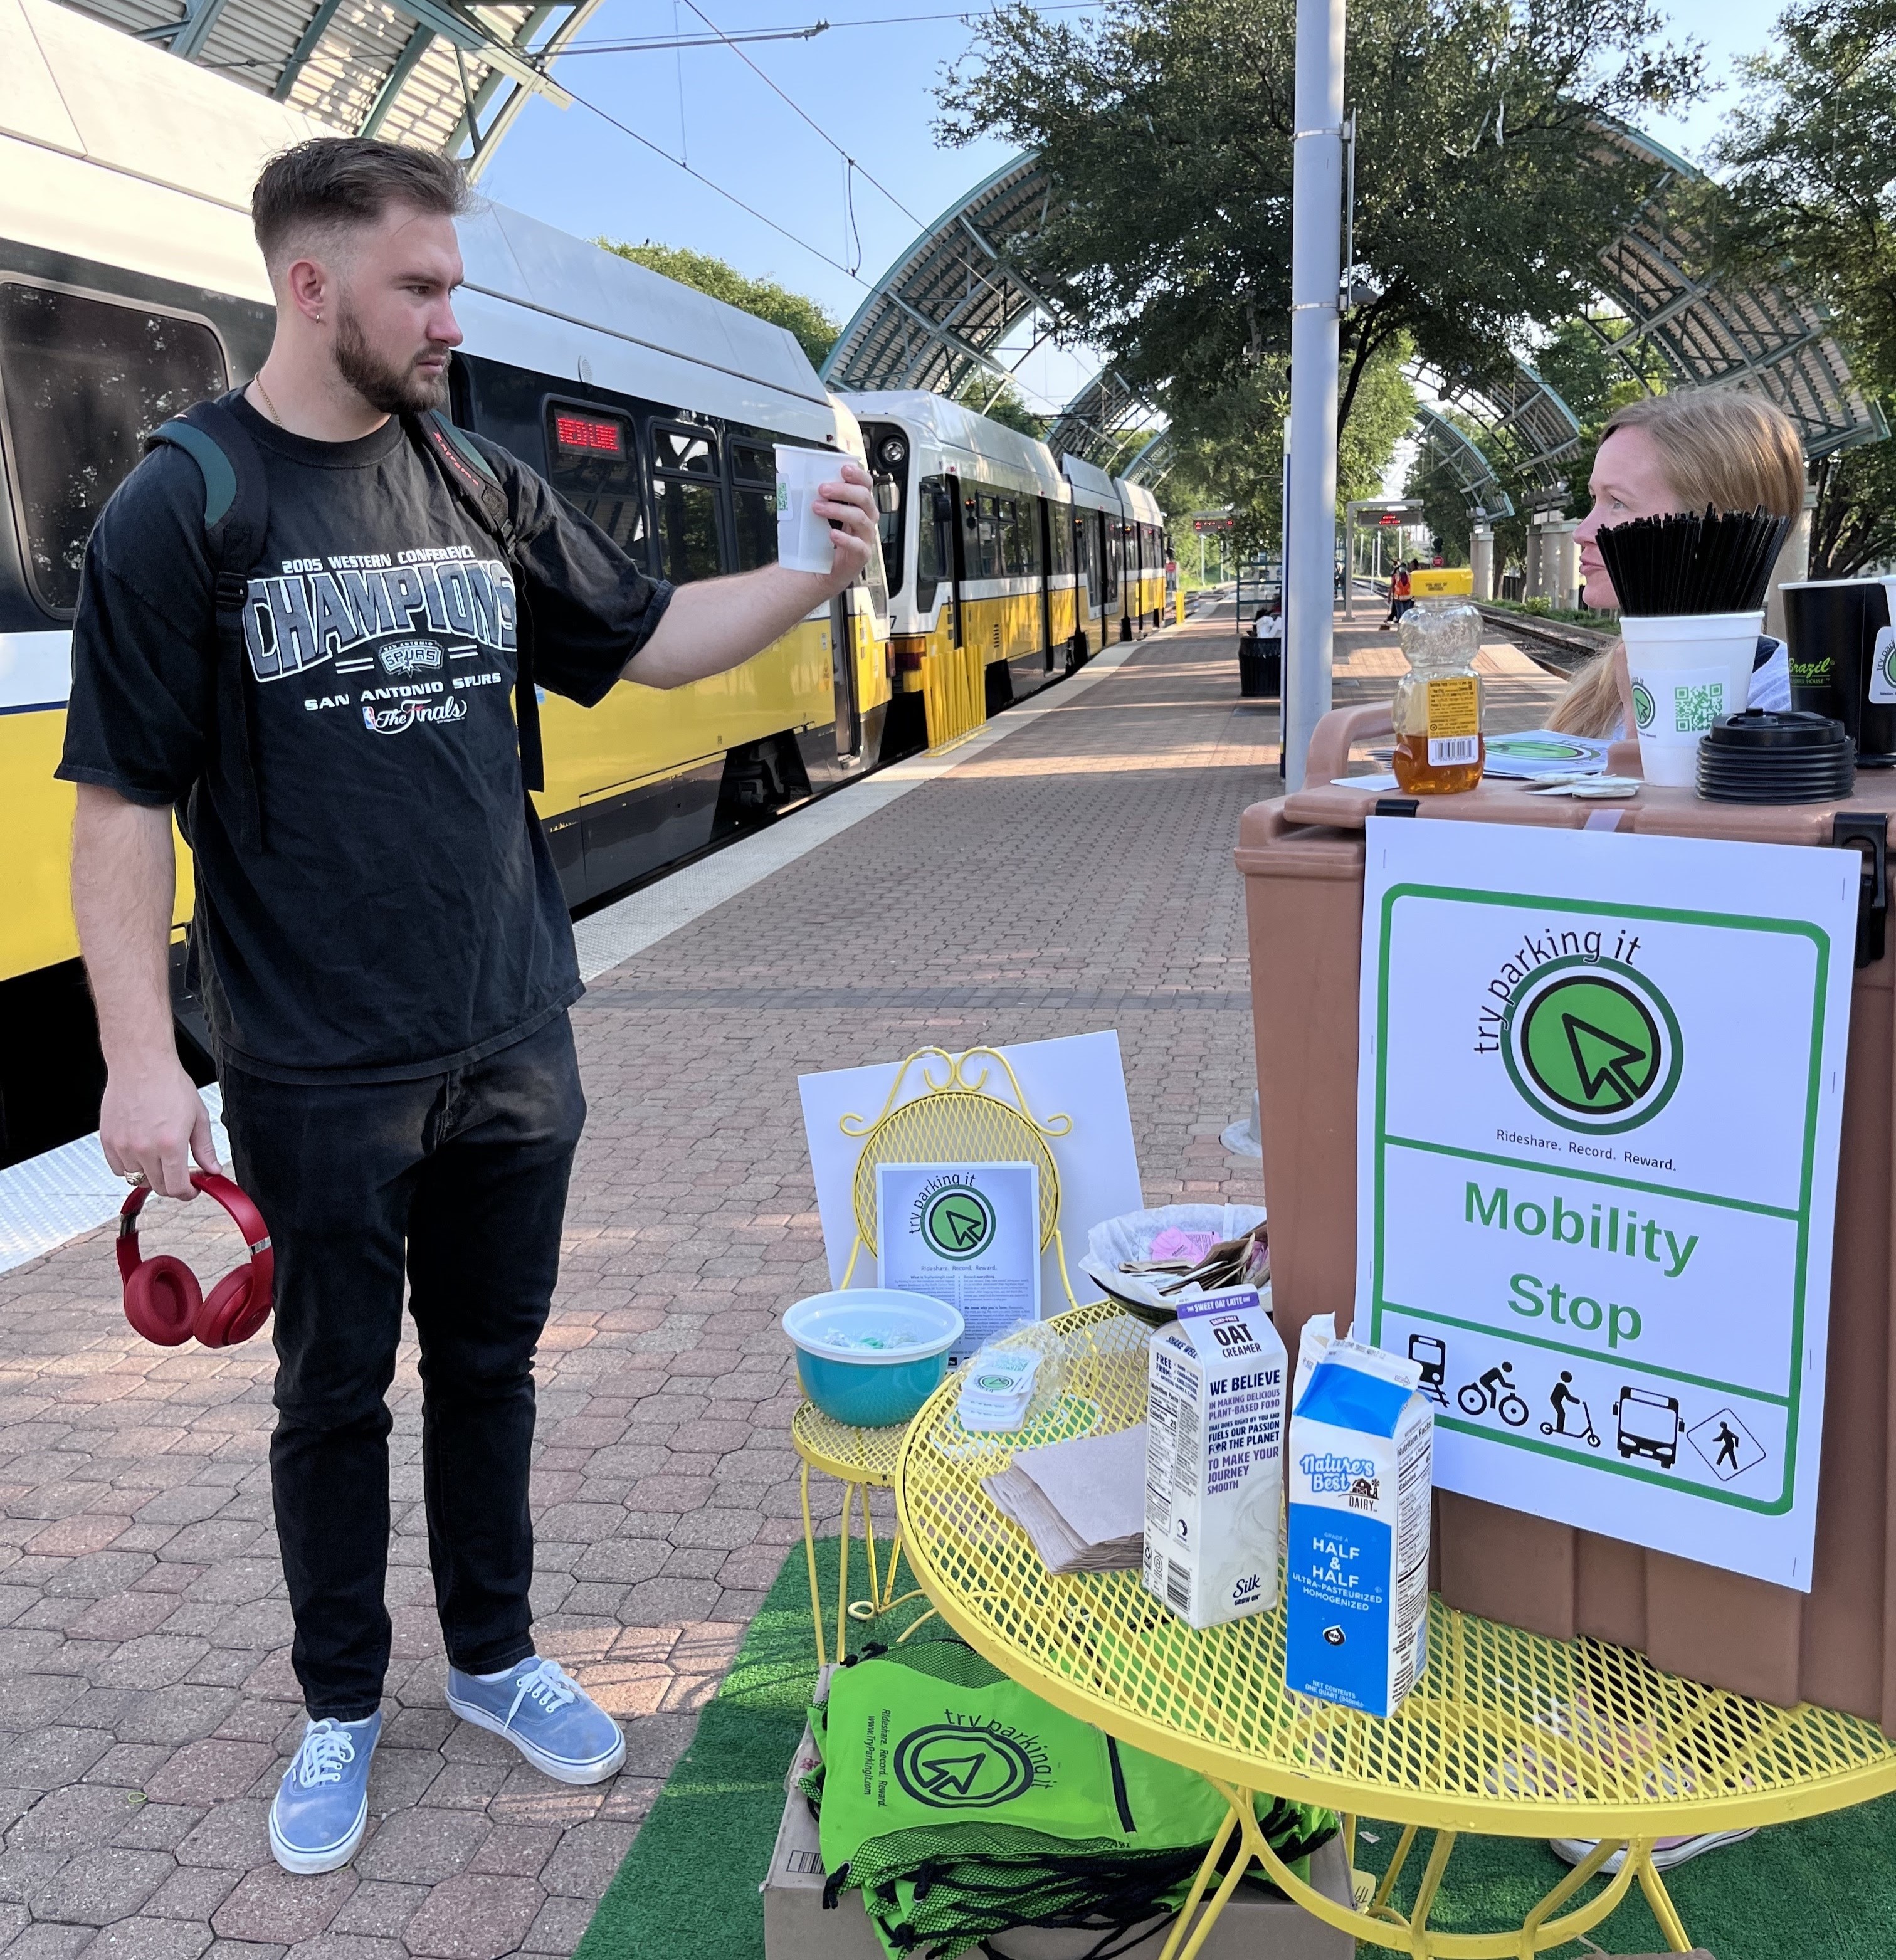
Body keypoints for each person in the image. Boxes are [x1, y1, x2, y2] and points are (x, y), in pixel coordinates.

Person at [58, 139, 880, 1878]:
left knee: (493, 1366)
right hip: (312, 1057)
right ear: (311, 285)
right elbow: (122, 799)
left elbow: (649, 638)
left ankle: (495, 1655)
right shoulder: (183, 504)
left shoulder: (474, 477)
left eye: (453, 282)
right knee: (334, 1387)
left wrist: (816, 575)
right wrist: (142, 1059)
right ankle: (340, 1701)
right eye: (419, 287)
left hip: (513, 1027)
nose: (452, 316)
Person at [1548, 392, 1806, 738]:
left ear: (1716, 528)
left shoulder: (1787, 705)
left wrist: (1639, 730)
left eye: (1619, 503)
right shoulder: (1604, 686)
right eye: (1596, 499)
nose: (1582, 532)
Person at [1380, 561, 1413, 630]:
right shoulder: (1396, 576)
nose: (1402, 569)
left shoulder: (1409, 576)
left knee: (1406, 614)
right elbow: (1392, 586)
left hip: (1408, 599)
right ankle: (1401, 628)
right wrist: (1389, 596)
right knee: (1400, 613)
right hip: (1398, 599)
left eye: (1403, 567)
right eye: (1401, 567)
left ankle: (1405, 628)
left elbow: (1412, 586)